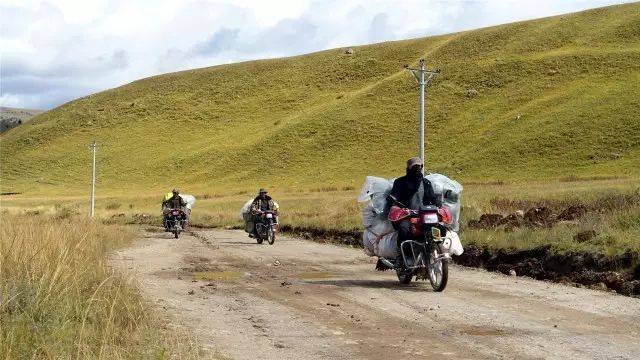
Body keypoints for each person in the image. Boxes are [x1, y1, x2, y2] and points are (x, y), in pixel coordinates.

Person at [388, 157, 441, 266]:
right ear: (408, 169)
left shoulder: (426, 183)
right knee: (404, 229)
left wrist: (438, 205)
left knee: (439, 228)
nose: (417, 169)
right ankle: (403, 257)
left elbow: (432, 198)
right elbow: (393, 199)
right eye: (414, 167)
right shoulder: (400, 182)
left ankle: (435, 251)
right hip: (406, 216)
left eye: (419, 167)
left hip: (424, 216)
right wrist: (398, 207)